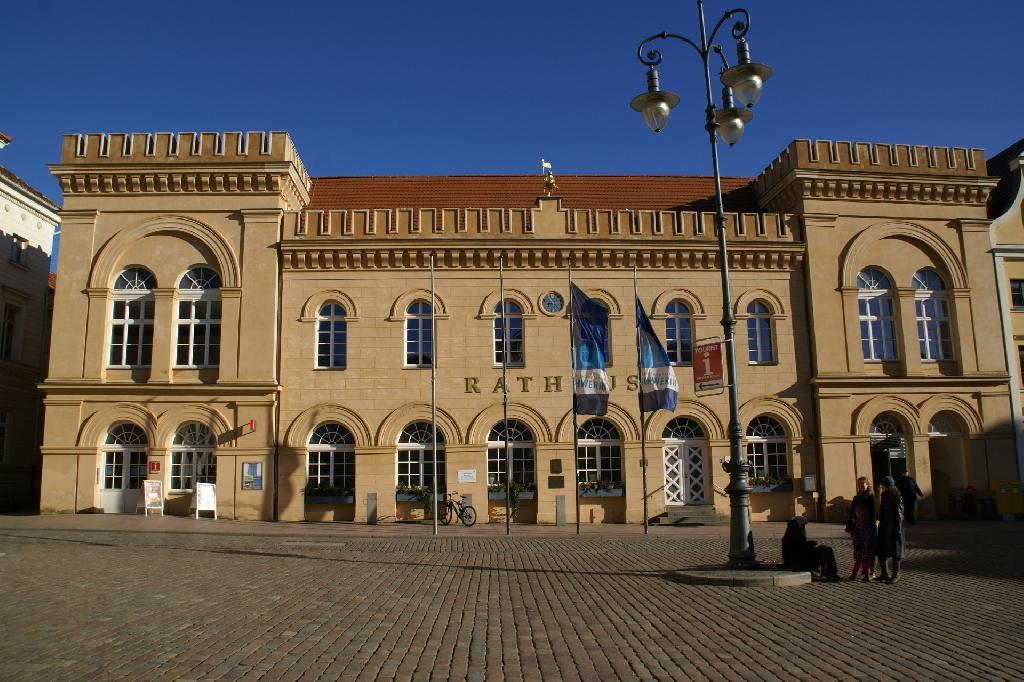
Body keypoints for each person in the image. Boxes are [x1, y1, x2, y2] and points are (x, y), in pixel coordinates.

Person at [782, 516, 839, 580]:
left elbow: (800, 547)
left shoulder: (791, 533)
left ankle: (827, 572)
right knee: (827, 550)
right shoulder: (796, 535)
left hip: (797, 560)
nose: (804, 527)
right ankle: (831, 572)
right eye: (803, 525)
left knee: (824, 548)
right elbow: (800, 551)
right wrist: (810, 544)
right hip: (800, 562)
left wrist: (810, 544)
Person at [876, 475, 905, 583]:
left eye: (883, 487)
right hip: (883, 527)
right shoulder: (884, 496)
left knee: (895, 552)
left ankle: (896, 574)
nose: (882, 489)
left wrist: (897, 529)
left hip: (893, 528)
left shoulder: (897, 497)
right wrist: (877, 524)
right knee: (881, 550)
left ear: (889, 486)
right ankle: (884, 574)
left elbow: (899, 515)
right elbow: (880, 514)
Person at [847, 504, 877, 581]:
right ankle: (867, 575)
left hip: (859, 546)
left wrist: (856, 542)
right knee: (866, 562)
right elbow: (870, 535)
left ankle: (853, 575)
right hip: (866, 546)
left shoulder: (858, 524)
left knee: (858, 562)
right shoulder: (869, 525)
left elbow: (855, 535)